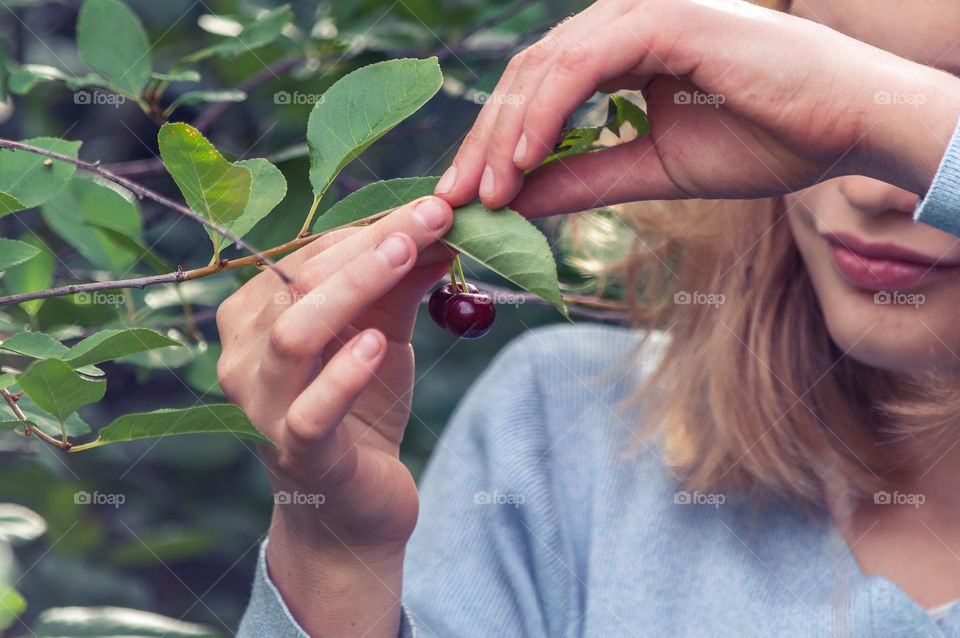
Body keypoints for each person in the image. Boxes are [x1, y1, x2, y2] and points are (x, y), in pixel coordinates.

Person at [225, 0, 960, 635]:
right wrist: (334, 565)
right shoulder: (561, 429)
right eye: (816, 84)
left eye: (927, 116)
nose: (871, 192)